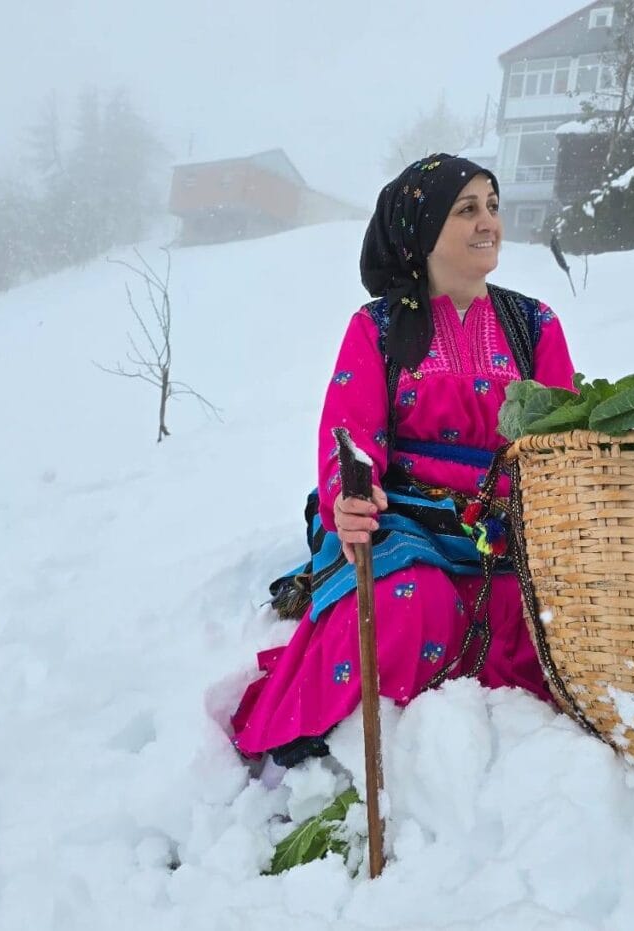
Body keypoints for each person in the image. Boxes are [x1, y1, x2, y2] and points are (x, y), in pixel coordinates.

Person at [230, 154, 576, 769]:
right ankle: (328, 728)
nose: (487, 222)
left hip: (510, 527)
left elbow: (565, 443)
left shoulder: (535, 324)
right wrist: (350, 501)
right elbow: (351, 432)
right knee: (409, 595)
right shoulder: (378, 327)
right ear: (422, 229)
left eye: (492, 207)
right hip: (407, 521)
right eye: (466, 209)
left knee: (560, 613)